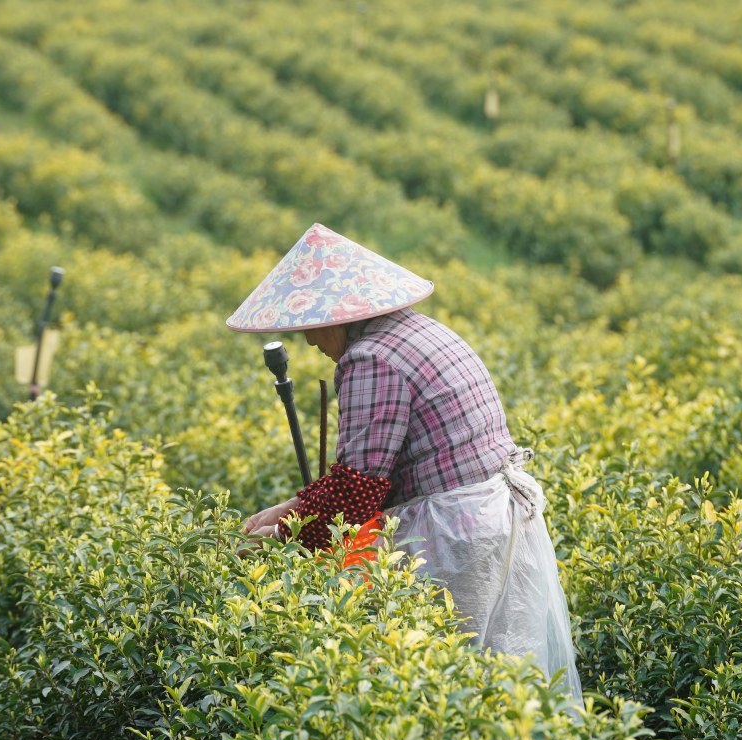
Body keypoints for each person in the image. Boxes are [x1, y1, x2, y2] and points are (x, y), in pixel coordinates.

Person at [230, 223, 582, 695]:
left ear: (336, 317)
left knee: (452, 683)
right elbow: (364, 472)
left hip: (457, 533)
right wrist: (289, 511)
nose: (311, 342)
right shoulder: (418, 330)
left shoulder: (371, 358)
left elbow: (358, 487)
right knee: (506, 674)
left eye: (311, 327)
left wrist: (288, 537)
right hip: (492, 515)